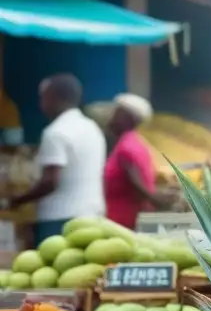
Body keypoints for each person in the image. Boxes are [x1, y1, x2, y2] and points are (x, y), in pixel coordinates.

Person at [0, 74, 106, 243]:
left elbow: (50, 181)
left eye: (43, 97)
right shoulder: (91, 127)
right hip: (92, 214)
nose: (41, 103)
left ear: (53, 97)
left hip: (60, 219)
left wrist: (18, 201)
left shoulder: (55, 132)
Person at [103, 94, 171, 229]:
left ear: (128, 119)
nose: (111, 118)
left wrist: (159, 202)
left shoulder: (126, 147)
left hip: (125, 224)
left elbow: (137, 184)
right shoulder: (133, 142)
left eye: (116, 113)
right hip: (126, 221)